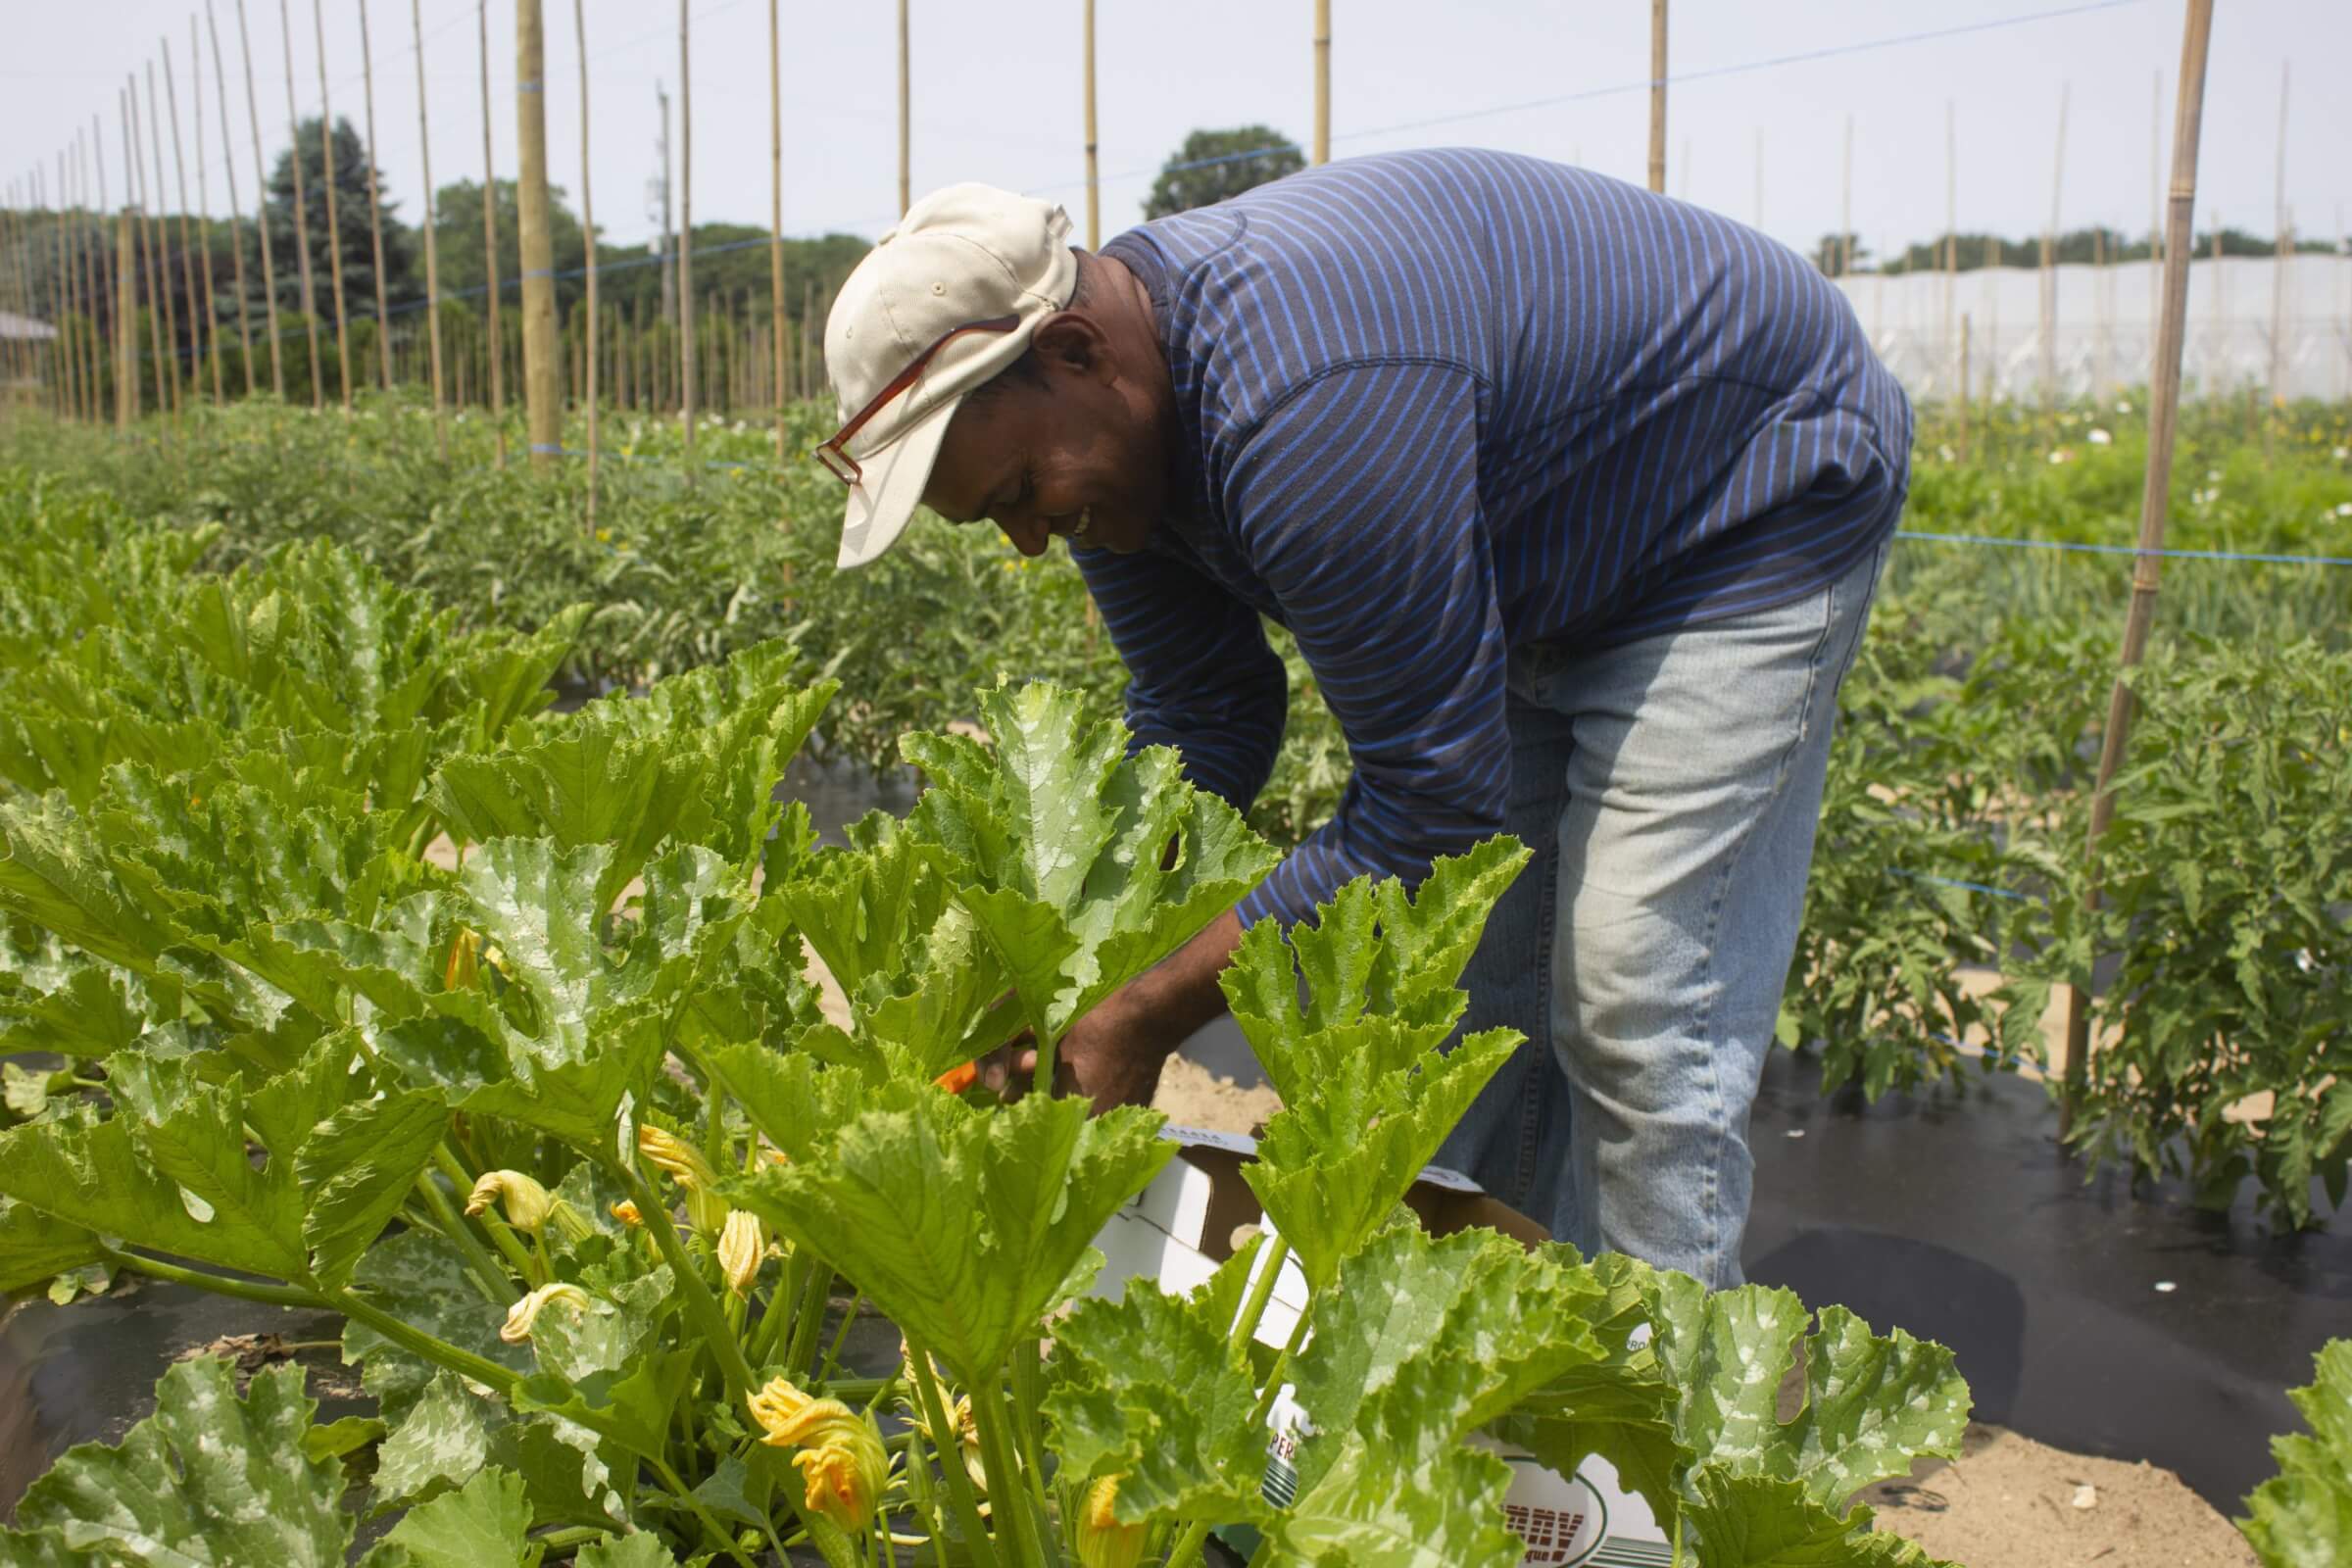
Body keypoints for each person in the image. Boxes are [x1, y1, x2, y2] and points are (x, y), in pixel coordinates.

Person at [813, 149, 1909, 1290]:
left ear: (1076, 352)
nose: (1031, 542)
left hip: (1744, 499)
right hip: (1549, 542)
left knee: (1632, 992)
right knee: (1479, 993)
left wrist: (1139, 1013)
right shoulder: (1115, 443)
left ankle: (1663, 1414)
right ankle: (1497, 1351)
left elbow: (1430, 804)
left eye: (1018, 496)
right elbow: (1204, 716)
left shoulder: (1305, 404)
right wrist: (1059, 968)